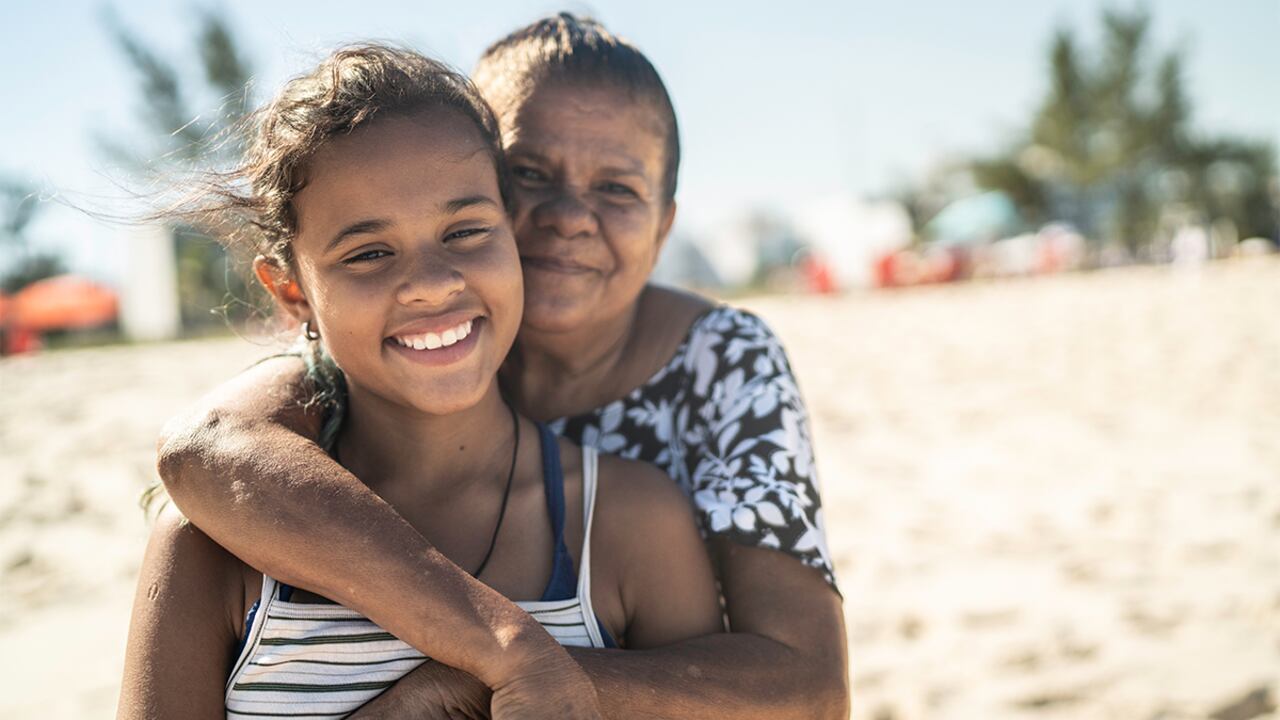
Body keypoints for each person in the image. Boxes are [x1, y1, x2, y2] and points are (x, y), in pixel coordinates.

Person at [156, 14, 850, 720]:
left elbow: (812, 691)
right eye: (529, 174)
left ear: (665, 224)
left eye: (617, 189)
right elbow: (205, 449)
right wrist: (501, 650)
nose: (568, 216)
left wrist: (487, 682)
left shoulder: (713, 380)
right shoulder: (367, 364)